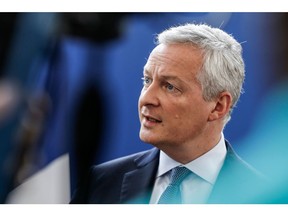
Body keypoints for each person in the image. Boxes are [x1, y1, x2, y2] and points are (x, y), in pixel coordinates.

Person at [70, 23, 266, 204]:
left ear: (218, 106)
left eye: (170, 87)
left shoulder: (265, 198)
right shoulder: (100, 182)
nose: (146, 99)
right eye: (147, 80)